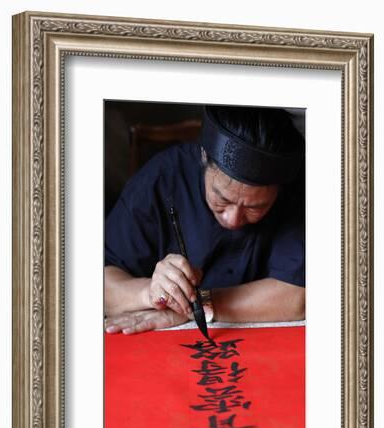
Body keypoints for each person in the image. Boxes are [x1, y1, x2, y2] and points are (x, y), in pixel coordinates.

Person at [104, 105, 305, 335]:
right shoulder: (162, 179)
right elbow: (101, 283)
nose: (233, 219)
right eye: (222, 200)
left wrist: (195, 307)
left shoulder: (297, 191)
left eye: (254, 207)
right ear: (203, 156)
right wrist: (150, 293)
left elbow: (296, 297)